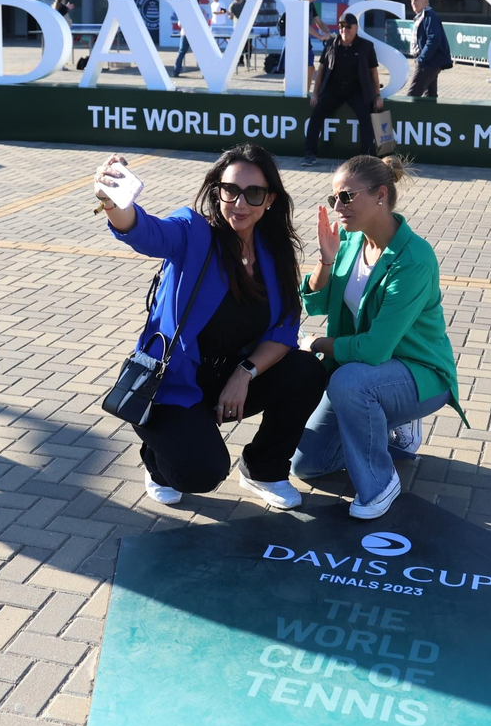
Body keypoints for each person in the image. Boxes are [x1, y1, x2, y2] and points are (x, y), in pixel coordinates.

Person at [94, 147, 327, 509]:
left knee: (307, 370)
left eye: (254, 193)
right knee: (200, 474)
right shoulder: (194, 232)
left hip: (231, 378)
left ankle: (263, 469)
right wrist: (114, 202)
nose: (240, 202)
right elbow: (145, 232)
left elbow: (284, 329)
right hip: (172, 383)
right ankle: (156, 460)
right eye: (230, 189)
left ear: (270, 199)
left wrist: (244, 374)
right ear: (216, 190)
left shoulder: (274, 249)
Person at [291, 155, 461, 519]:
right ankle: (382, 422)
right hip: (368, 370)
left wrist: (317, 345)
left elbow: (374, 349)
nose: (337, 206)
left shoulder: (413, 259)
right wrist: (324, 261)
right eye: (334, 196)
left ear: (381, 195)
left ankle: (380, 483)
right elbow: (317, 304)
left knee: (350, 383)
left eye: (347, 197)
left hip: (418, 373)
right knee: (306, 465)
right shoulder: (352, 243)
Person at [304, 13, 382, 167]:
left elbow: (374, 72)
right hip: (334, 89)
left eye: (348, 26)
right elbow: (321, 70)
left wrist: (377, 95)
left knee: (366, 118)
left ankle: (366, 158)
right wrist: (315, 93)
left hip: (357, 90)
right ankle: (309, 154)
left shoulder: (366, 46)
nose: (344, 29)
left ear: (356, 27)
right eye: (341, 26)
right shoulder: (331, 44)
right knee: (317, 114)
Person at [405, 0, 453, 99]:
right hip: (429, 61)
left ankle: (404, 115)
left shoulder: (430, 16)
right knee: (430, 96)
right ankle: (432, 115)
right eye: (411, 1)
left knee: (412, 95)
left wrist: (422, 59)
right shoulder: (422, 16)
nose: (413, 3)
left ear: (426, 1)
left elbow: (433, 39)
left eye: (416, 0)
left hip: (429, 62)